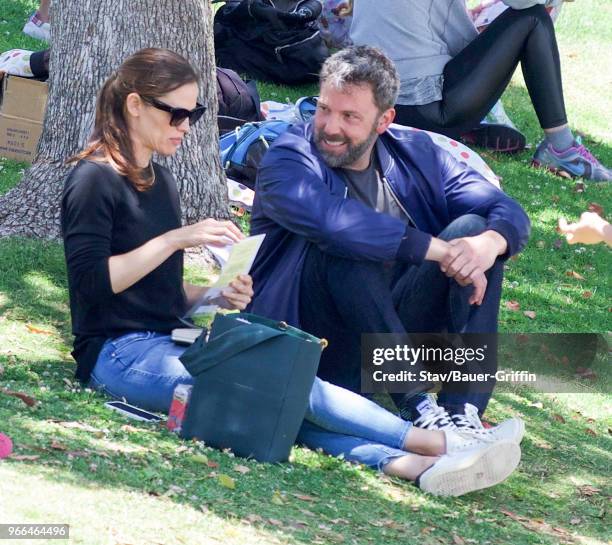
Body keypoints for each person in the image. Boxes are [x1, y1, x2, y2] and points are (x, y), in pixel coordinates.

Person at [61, 48, 521, 497]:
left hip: (179, 338)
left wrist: (213, 295)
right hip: (119, 353)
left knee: (475, 237)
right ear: (135, 105)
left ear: (384, 121)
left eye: (192, 114)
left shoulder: (160, 181)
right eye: (175, 114)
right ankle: (435, 440)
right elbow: (93, 287)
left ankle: (424, 458)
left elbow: (153, 294)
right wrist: (176, 240)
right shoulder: (95, 179)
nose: (185, 126)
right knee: (275, 389)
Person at [248, 45, 531, 432]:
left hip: (389, 341)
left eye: (350, 116)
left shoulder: (418, 155)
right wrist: (434, 248)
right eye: (325, 109)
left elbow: (505, 207)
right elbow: (334, 222)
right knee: (345, 245)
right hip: (310, 340)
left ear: (384, 120)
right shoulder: (288, 158)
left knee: (472, 235)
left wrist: (491, 242)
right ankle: (417, 407)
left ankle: (463, 414)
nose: (330, 127)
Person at [349, 0, 611, 181]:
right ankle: (561, 149)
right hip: (422, 109)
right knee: (534, 19)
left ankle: (475, 125)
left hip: (372, 102)